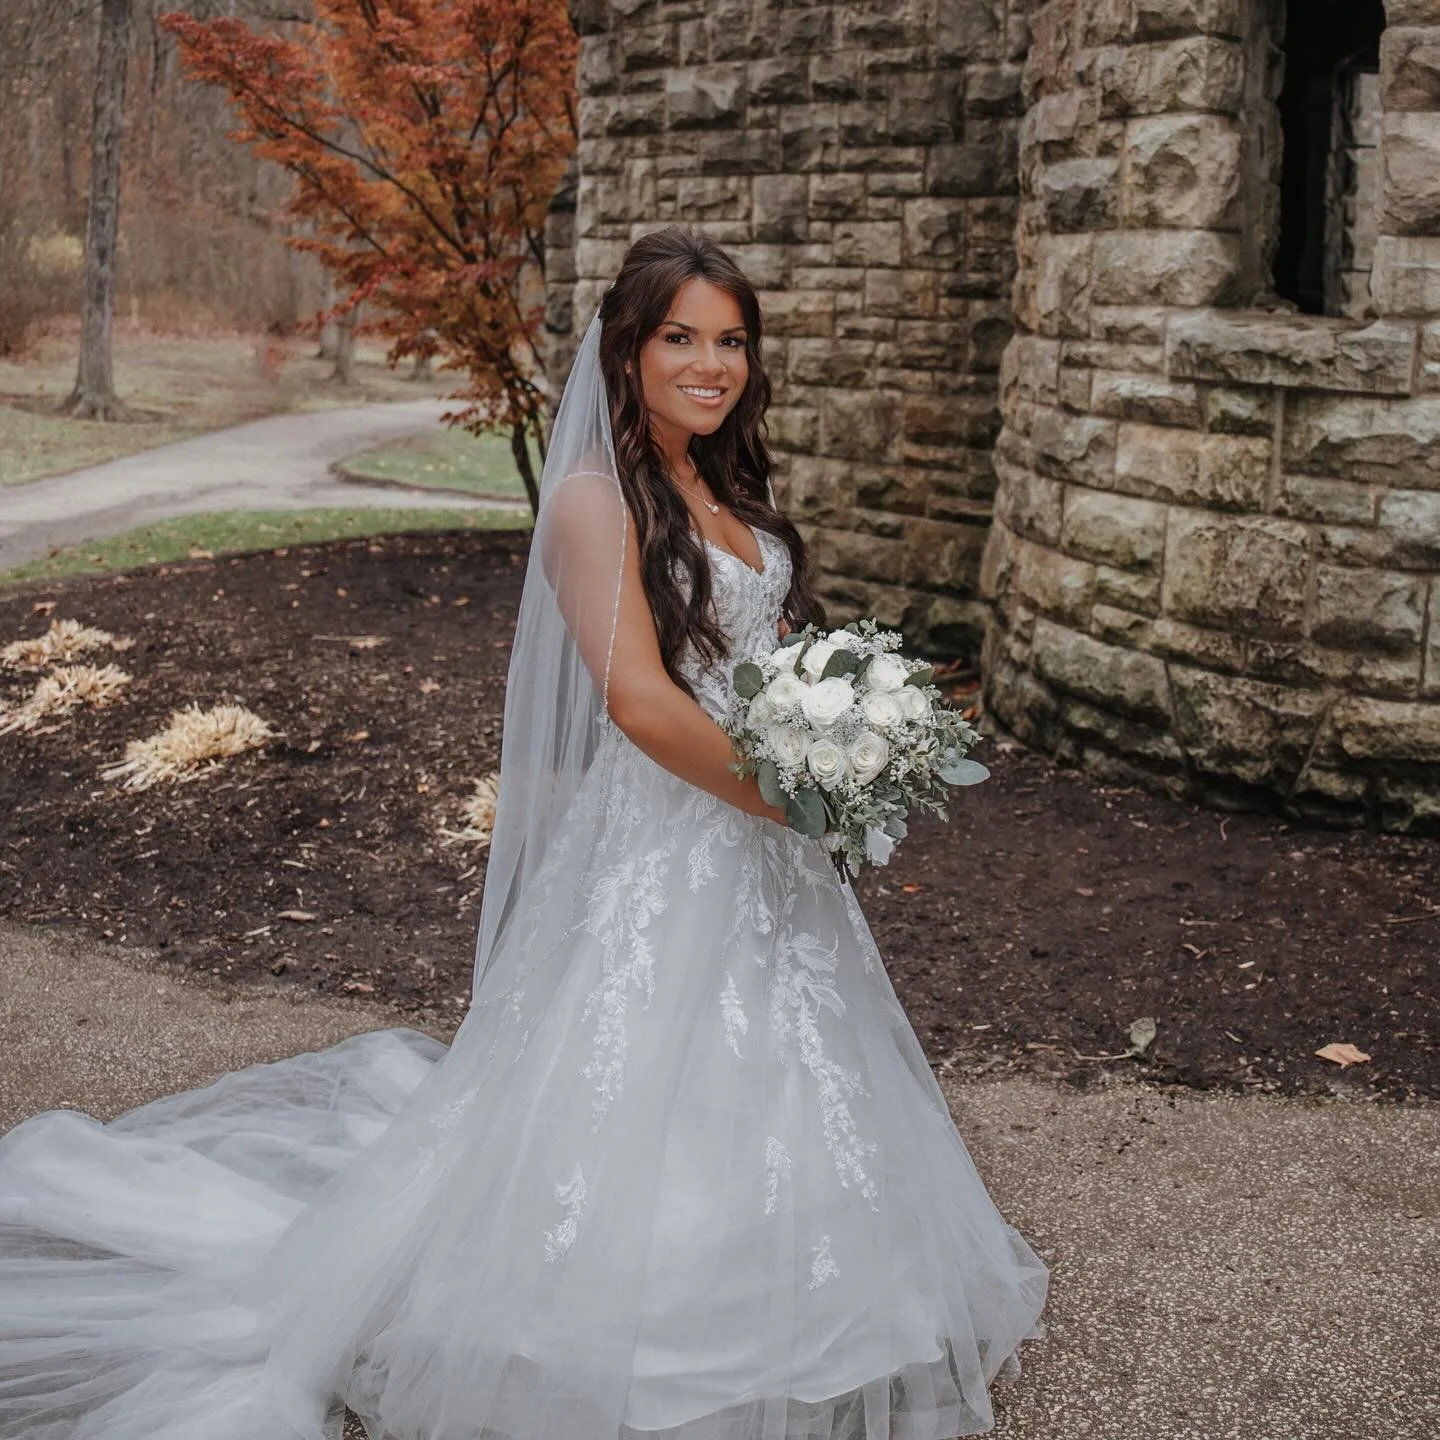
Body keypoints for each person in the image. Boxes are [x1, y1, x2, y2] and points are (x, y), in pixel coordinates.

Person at [0, 227, 1047, 1440]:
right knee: (638, 1064)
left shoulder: (728, 488)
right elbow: (642, 704)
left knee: (794, 1060)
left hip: (763, 848)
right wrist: (799, 794)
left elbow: (759, 668)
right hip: (674, 835)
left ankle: (824, 1304)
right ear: (629, 350)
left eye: (733, 342)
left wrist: (842, 732)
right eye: (683, 340)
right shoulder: (596, 503)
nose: (714, 365)